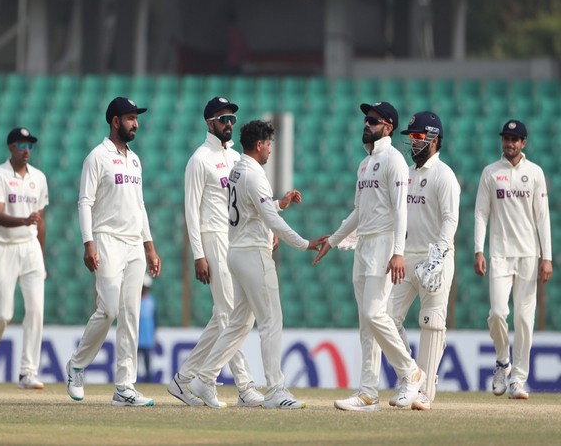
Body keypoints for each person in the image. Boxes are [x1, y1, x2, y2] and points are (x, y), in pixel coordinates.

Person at [188, 120, 325, 409]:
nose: (271, 150)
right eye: (269, 144)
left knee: (239, 322)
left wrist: (280, 203)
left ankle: (204, 378)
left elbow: (254, 210)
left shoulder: (236, 169)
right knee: (271, 320)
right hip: (252, 254)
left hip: (236, 251)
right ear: (260, 144)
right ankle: (276, 389)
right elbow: (269, 220)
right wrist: (304, 243)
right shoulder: (254, 174)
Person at [313, 101, 426, 412]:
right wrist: (333, 241)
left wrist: (398, 252)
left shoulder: (395, 161)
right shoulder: (364, 164)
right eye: (365, 119)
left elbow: (401, 209)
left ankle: (410, 371)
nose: (367, 124)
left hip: (384, 245)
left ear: (388, 127)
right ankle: (367, 393)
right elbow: (358, 212)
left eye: (373, 120)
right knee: (367, 322)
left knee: (376, 314)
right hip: (363, 246)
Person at [167, 96, 264, 408]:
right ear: (210, 122)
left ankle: (183, 380)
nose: (230, 124)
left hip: (235, 238)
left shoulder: (235, 157)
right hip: (212, 237)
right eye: (224, 119)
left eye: (233, 119)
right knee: (229, 313)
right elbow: (190, 211)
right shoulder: (199, 159)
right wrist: (199, 254)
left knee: (222, 315)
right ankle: (245, 387)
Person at [65, 97, 161, 407]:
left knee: (131, 314)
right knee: (108, 309)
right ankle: (77, 365)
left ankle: (124, 387)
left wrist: (150, 246)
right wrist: (88, 243)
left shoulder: (135, 160)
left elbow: (140, 205)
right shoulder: (97, 156)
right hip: (106, 239)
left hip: (134, 242)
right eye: (130, 117)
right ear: (115, 121)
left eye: (136, 117)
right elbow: (85, 202)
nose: (136, 123)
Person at [474, 119, 552, 400]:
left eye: (514, 139)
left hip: (529, 256)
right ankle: (501, 361)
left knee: (524, 319)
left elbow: (543, 217)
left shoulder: (535, 173)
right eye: (506, 139)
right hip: (499, 255)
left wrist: (547, 257)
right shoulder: (490, 173)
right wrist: (478, 250)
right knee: (497, 313)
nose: (509, 144)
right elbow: (481, 213)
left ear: (524, 143)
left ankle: (518, 380)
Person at [387, 111, 460, 411]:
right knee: (385, 317)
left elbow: (450, 219)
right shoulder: (404, 173)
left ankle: (425, 393)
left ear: (435, 139)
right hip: (406, 257)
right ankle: (410, 375)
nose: (413, 142)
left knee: (431, 321)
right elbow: (393, 215)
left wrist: (439, 255)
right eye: (411, 137)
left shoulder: (444, 176)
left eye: (419, 137)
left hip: (435, 258)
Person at [0, 127, 48, 390]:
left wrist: (42, 256)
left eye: (29, 145)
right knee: (2, 314)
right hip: (3, 247)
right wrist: (24, 220)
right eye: (20, 145)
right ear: (10, 148)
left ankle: (28, 372)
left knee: (36, 309)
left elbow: (41, 222)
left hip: (30, 248)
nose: (26, 150)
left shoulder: (38, 178)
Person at [138, 274, 156, 383]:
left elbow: (155, 320)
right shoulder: (135, 301)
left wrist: (154, 335)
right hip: (136, 337)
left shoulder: (151, 301)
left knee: (148, 364)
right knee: (133, 363)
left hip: (148, 338)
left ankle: (148, 382)